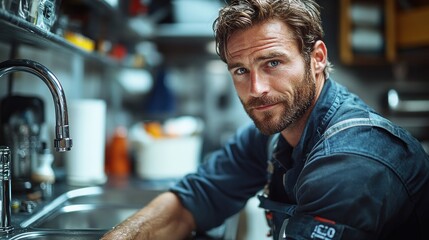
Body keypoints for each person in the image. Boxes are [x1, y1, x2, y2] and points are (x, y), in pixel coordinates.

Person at [101, 0, 429, 239]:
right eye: (241, 70)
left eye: (272, 63)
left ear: (316, 59)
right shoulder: (272, 132)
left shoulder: (348, 160)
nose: (256, 89)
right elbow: (193, 200)